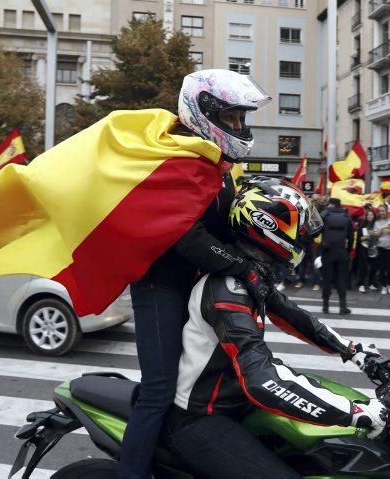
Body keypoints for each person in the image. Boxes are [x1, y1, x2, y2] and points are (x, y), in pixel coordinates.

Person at [160, 178, 386, 478]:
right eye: (298, 229)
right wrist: (355, 412)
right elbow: (261, 379)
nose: (303, 237)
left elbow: (294, 316)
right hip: (202, 417)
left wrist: (354, 351)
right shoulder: (227, 288)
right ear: (268, 224)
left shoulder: (251, 275)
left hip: (237, 405)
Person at [119, 69, 276, 479]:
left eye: (241, 119)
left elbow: (226, 230)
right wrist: (242, 266)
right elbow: (187, 236)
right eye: (231, 118)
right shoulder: (179, 159)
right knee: (159, 389)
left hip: (193, 287)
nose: (239, 127)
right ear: (203, 111)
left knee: (202, 383)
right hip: (160, 285)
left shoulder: (215, 165)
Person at [320, 197, 353, 314]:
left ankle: (325, 306)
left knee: (327, 279)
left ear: (332, 205)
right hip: (341, 251)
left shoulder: (324, 214)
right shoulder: (346, 216)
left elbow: (316, 230)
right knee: (341, 279)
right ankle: (342, 307)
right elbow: (351, 237)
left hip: (327, 251)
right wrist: (347, 251)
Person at [373, 207, 390, 294]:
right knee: (382, 267)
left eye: (383, 211)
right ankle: (383, 285)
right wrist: (381, 231)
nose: (381, 212)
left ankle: (389, 284)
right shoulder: (377, 222)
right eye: (380, 211)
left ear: (386, 211)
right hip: (380, 246)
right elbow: (375, 234)